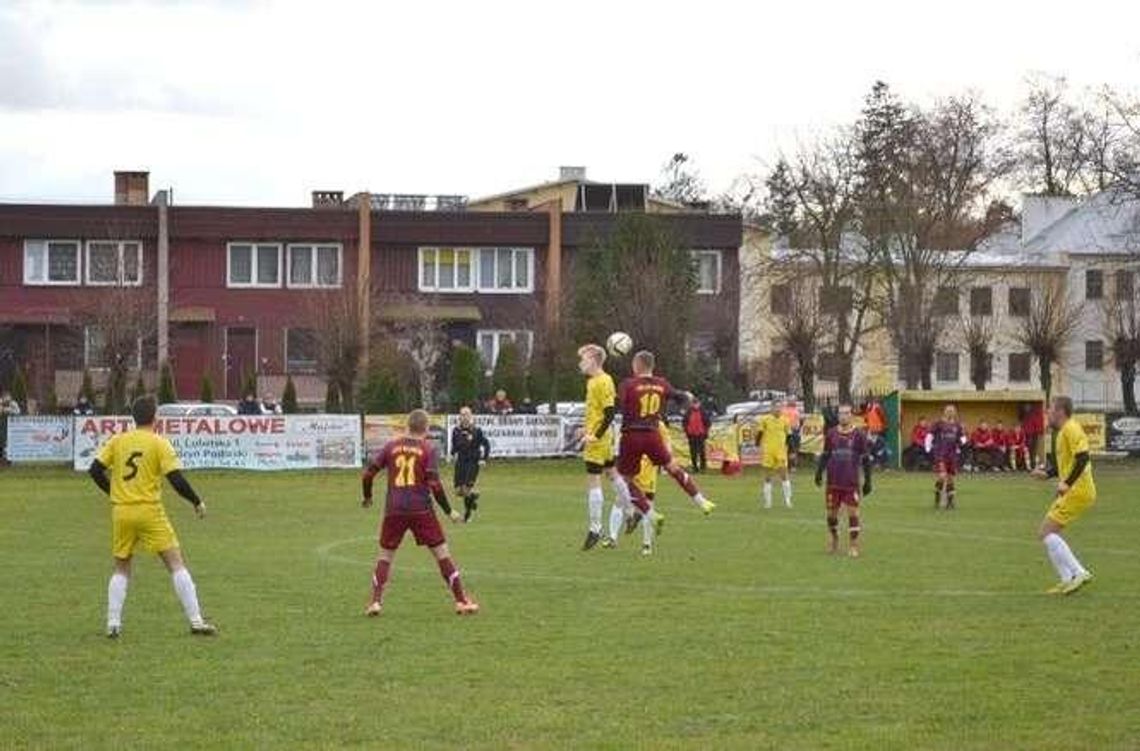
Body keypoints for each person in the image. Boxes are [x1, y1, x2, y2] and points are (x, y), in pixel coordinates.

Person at [86, 395, 216, 638]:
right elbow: (176, 479)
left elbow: (94, 470)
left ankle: (113, 624)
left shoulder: (118, 440)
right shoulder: (159, 443)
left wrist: (114, 492)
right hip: (149, 511)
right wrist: (196, 501)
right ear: (155, 417)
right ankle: (196, 621)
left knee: (121, 568)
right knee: (175, 563)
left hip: (122, 511)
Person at [361, 409, 478, 616]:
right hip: (421, 509)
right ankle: (461, 601)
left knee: (385, 556)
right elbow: (435, 485)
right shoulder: (427, 449)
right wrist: (449, 511)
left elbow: (368, 474)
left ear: (407, 426)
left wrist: (368, 497)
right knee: (442, 553)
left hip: (394, 509)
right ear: (425, 429)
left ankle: (375, 602)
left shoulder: (391, 446)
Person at [616, 350, 714, 555]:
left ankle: (651, 514)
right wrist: (687, 397)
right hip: (653, 433)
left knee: (623, 480)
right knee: (673, 467)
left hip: (632, 435)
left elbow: (618, 403)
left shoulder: (628, 384)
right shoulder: (662, 383)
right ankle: (701, 501)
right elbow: (682, 397)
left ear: (637, 365)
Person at [1031, 396, 1096, 595]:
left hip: (1079, 490)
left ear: (1060, 411)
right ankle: (1067, 579)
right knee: (1047, 533)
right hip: (1073, 490)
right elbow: (1064, 466)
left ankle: (1079, 572)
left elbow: (1083, 457)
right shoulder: (1061, 434)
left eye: (1050, 409)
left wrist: (1067, 483)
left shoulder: (1071, 428)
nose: (1047, 413)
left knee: (1046, 532)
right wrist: (1048, 474)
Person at [576, 344, 635, 551]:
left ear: (593, 359)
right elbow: (597, 412)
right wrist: (585, 429)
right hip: (600, 437)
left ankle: (595, 528)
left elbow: (610, 412)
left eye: (583, 359)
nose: (580, 363)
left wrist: (594, 435)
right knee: (612, 473)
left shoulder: (604, 381)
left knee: (594, 479)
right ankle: (630, 511)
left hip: (599, 439)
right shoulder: (593, 382)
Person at [815, 403, 872, 557]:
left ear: (851, 415)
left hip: (851, 482)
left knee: (853, 513)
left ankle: (853, 546)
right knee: (831, 516)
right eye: (840, 413)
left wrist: (868, 481)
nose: (843, 416)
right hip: (833, 482)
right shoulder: (831, 433)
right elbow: (825, 455)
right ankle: (834, 540)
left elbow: (866, 459)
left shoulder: (859, 434)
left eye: (846, 413)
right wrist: (819, 473)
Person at [450, 406, 490, 522]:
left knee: (466, 488)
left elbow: (486, 444)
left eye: (467, 414)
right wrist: (452, 453)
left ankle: (467, 515)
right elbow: (455, 445)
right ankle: (473, 497)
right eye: (462, 415)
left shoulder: (476, 431)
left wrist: (484, 458)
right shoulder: (456, 430)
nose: (464, 417)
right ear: (459, 417)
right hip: (460, 462)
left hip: (473, 462)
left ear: (471, 416)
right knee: (459, 491)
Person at [927, 404, 966, 510]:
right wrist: (928, 447)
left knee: (950, 479)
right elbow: (930, 435)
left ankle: (950, 502)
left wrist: (962, 442)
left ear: (955, 412)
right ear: (944, 412)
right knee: (942, 476)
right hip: (941, 454)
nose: (950, 412)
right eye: (948, 410)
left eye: (952, 410)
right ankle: (937, 499)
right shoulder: (938, 424)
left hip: (952, 456)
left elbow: (963, 438)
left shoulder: (958, 425)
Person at [756, 407, 792, 508]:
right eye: (775, 408)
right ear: (772, 410)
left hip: (780, 450)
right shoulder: (765, 420)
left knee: (784, 474)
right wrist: (757, 444)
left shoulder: (785, 420)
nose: (777, 411)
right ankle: (768, 502)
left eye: (779, 409)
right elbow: (760, 433)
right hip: (768, 450)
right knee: (768, 476)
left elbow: (789, 436)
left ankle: (788, 500)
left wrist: (791, 450)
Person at [683, 398, 711, 473]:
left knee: (702, 452)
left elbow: (708, 423)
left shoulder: (703, 412)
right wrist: (687, 432)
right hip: (691, 435)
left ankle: (703, 468)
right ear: (692, 404)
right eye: (694, 403)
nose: (695, 405)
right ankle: (694, 467)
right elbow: (684, 423)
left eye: (696, 403)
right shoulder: (688, 412)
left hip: (701, 434)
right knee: (693, 452)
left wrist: (705, 432)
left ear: (699, 404)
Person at [781, 397, 803, 469]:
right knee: (789, 448)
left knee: (794, 449)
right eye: (791, 400)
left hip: (795, 431)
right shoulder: (784, 410)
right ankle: (789, 464)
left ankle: (792, 465)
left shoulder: (797, 410)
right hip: (787, 431)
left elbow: (799, 421)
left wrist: (798, 427)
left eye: (794, 400)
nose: (793, 402)